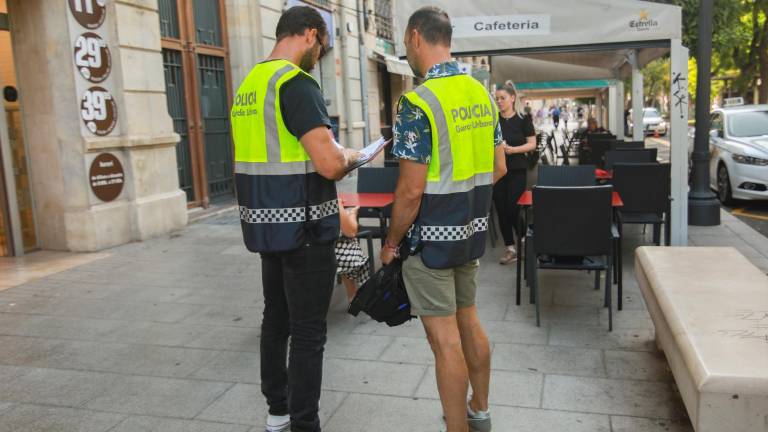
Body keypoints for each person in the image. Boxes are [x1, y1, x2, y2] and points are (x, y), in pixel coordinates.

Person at [230, 6, 360, 432]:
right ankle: (305, 423)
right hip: (305, 228)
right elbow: (327, 164)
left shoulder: (249, 84)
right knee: (308, 333)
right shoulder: (296, 83)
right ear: (309, 34)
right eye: (321, 46)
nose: (319, 56)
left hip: (266, 225)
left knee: (276, 320)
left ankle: (277, 412)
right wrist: (355, 156)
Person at [380, 7, 507, 432]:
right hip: (470, 234)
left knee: (443, 340)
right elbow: (500, 167)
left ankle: (456, 428)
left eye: (405, 43)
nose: (406, 52)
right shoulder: (482, 94)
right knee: (468, 319)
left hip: (430, 244)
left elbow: (410, 190)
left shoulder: (416, 102)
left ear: (416, 38)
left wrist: (392, 241)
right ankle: (481, 410)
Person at [493, 81, 536, 265]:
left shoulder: (523, 120)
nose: (499, 102)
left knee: (513, 208)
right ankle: (510, 248)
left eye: (503, 98)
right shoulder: (493, 121)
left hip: (517, 169)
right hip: (497, 171)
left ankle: (524, 239)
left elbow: (532, 144)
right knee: (501, 210)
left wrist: (512, 149)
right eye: (497, 99)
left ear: (512, 98)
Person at [336, 201, 368, 302]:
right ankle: (352, 296)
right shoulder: (333, 200)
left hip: (306, 250)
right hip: (338, 257)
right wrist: (352, 214)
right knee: (347, 247)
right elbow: (351, 231)